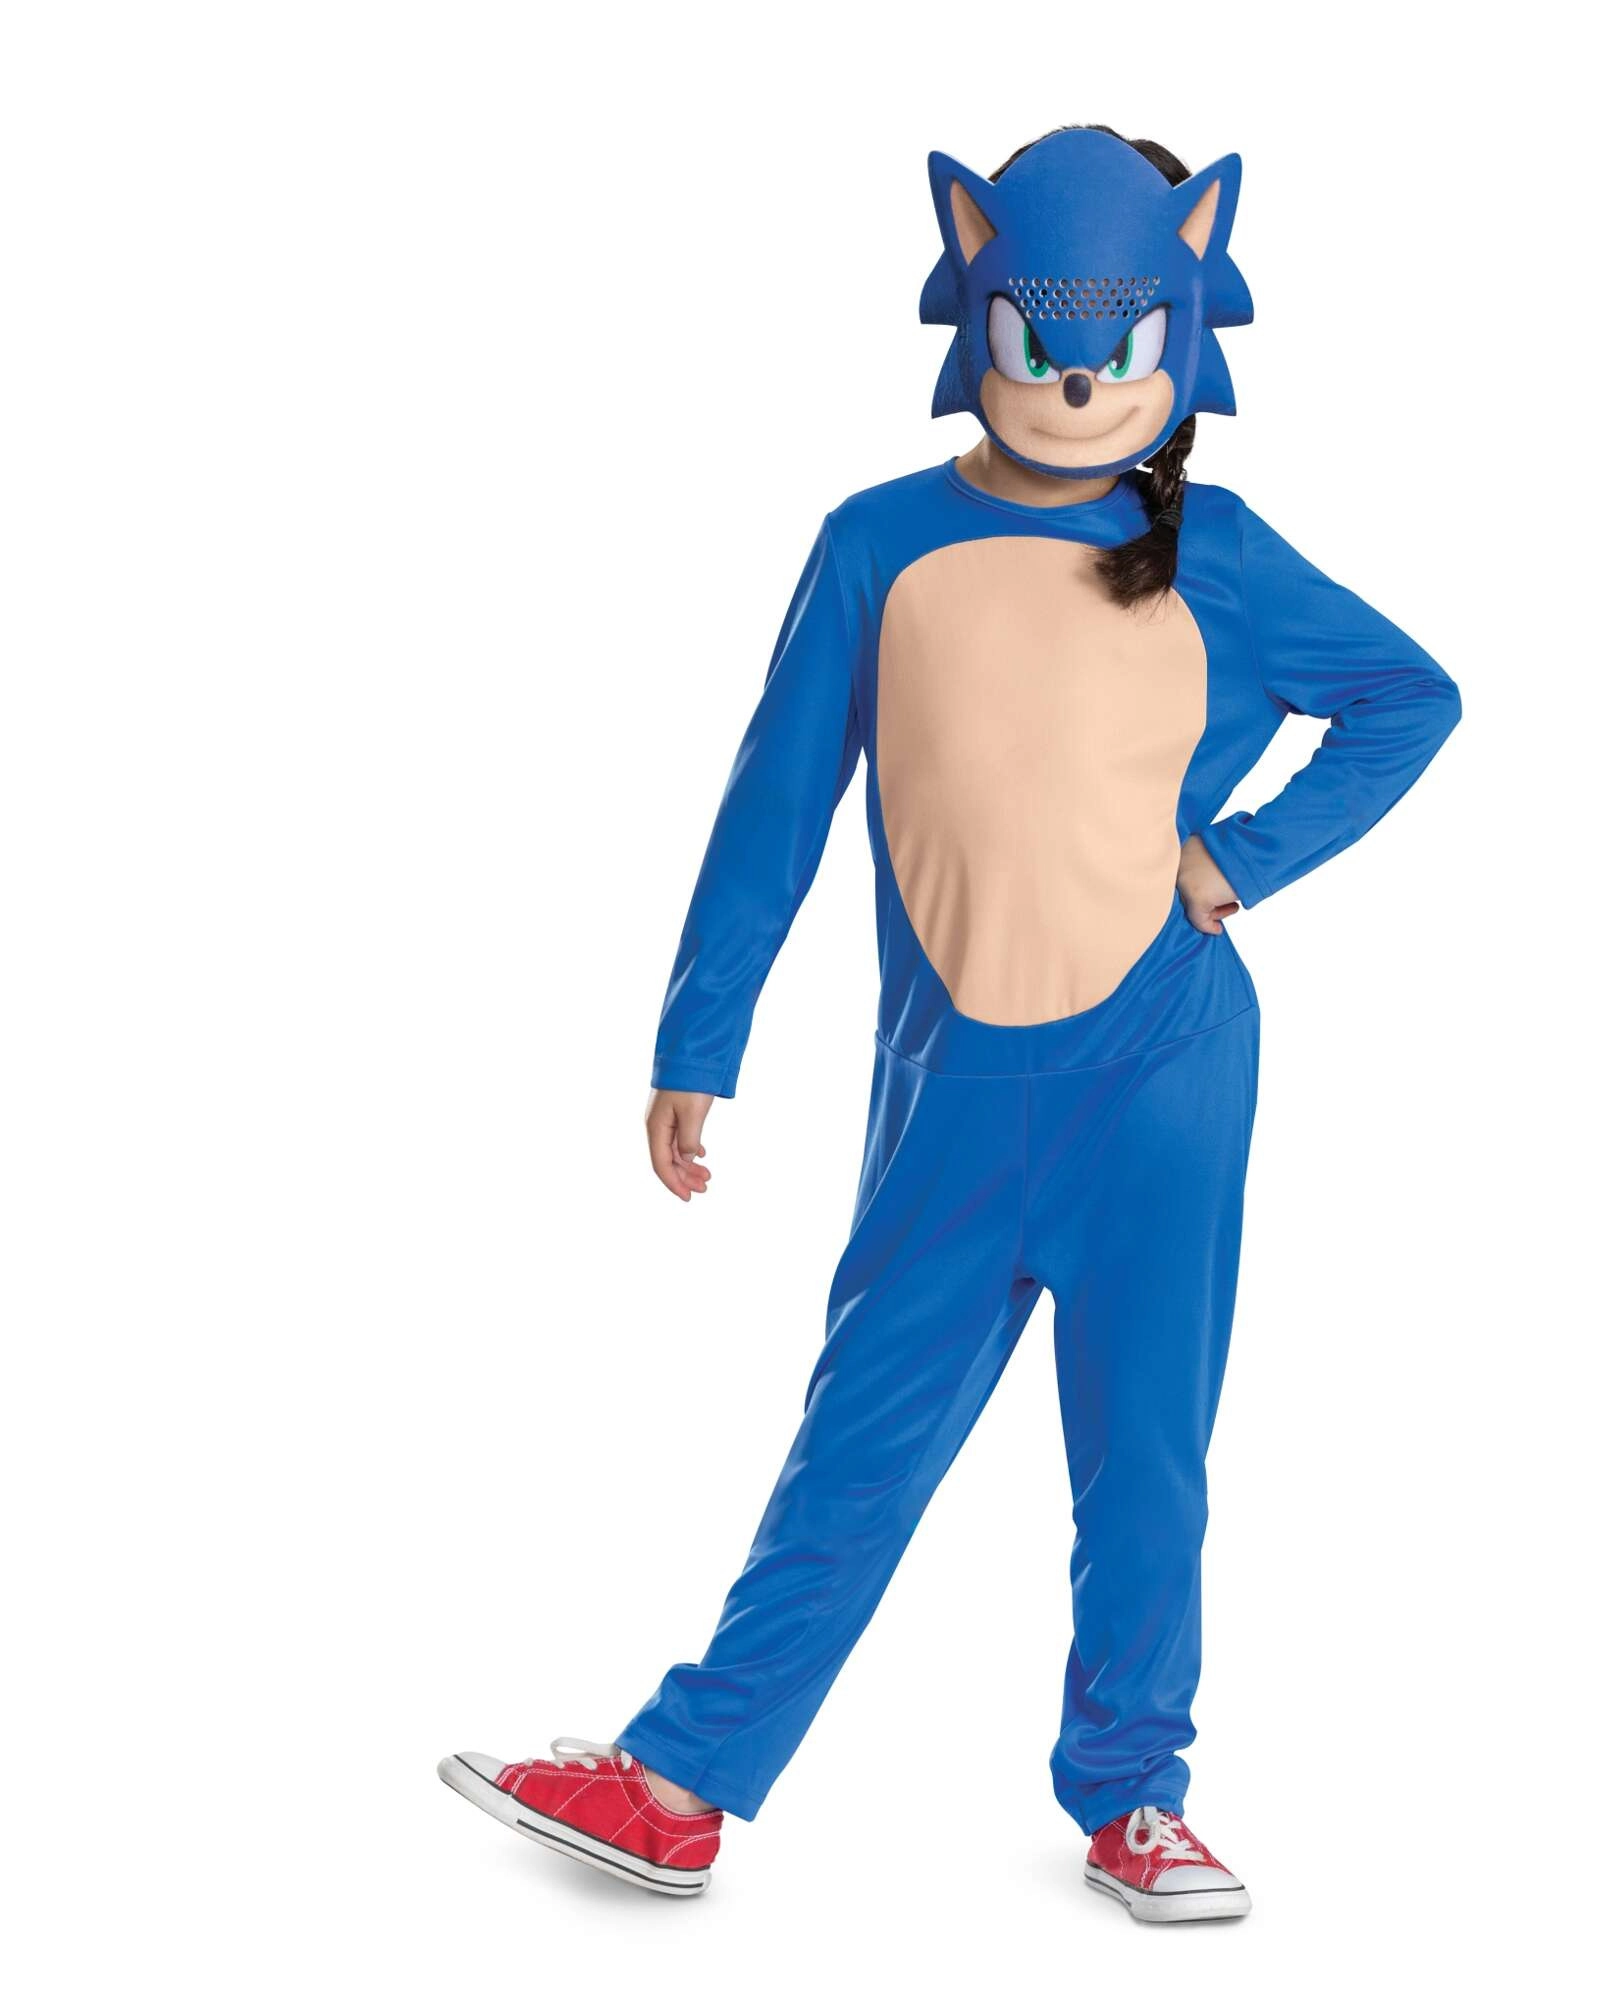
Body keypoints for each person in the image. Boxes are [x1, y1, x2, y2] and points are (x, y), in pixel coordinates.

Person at [440, 123, 1461, 1924]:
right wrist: (698, 1038)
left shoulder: (1218, 554)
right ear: (973, 300)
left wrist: (1238, 859)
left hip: (1166, 1079)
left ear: (1181, 326)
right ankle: (682, 1783)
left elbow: (1409, 695)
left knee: (1146, 1453)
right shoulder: (877, 545)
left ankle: (1136, 1798)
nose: (1076, 378)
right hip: (955, 1097)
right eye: (1039, 332)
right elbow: (777, 802)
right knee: (862, 1436)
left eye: (1115, 340)